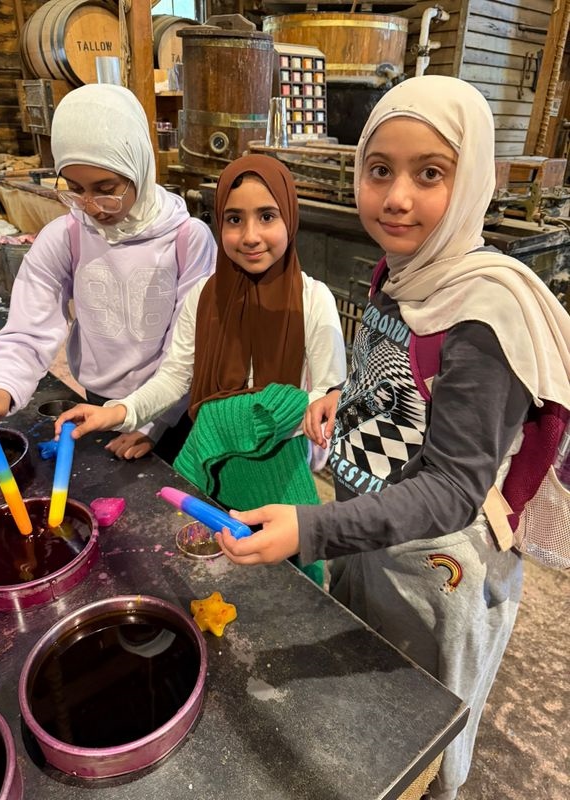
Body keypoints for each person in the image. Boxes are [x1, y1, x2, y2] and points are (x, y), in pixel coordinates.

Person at [212, 77, 570, 799]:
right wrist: (344, 398)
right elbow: (399, 379)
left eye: (430, 173)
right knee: (366, 695)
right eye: (380, 170)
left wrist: (312, 528)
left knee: (419, 724)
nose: (396, 197)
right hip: (372, 535)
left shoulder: (482, 315)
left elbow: (453, 488)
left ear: (472, 180)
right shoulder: (402, 274)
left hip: (435, 568)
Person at [54, 154, 347, 584]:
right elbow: (176, 376)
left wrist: (262, 415)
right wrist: (115, 412)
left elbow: (324, 396)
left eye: (267, 216)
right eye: (234, 219)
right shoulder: (205, 299)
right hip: (216, 472)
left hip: (281, 476)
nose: (250, 236)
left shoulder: (313, 299)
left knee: (284, 581)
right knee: (219, 574)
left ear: (291, 217)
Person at [0, 83, 216, 461]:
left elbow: (191, 350)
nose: (92, 206)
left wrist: (152, 424)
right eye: (75, 189)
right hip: (98, 399)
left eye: (106, 188)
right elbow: (28, 327)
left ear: (139, 166)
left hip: (172, 409)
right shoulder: (67, 236)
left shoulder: (187, 239)